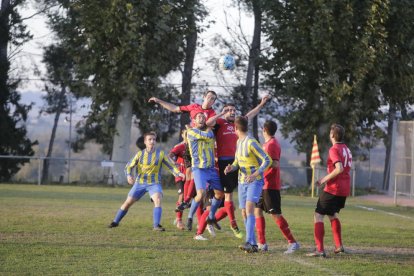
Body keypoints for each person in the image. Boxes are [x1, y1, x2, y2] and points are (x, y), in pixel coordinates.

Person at [196, 96, 271, 239]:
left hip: (240, 164)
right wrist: (221, 114)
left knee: (228, 200)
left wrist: (261, 104)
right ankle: (233, 224)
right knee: (227, 195)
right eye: (228, 110)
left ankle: (212, 219)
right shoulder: (220, 123)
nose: (231, 112)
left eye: (233, 110)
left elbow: (250, 114)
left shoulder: (238, 125)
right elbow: (208, 122)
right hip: (226, 163)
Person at [108, 132, 185, 231]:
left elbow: (170, 167)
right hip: (140, 183)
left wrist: (179, 173)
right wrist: (128, 176)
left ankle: (156, 226)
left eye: (154, 139)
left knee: (157, 200)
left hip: (154, 183)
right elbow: (128, 166)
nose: (152, 141)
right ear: (145, 142)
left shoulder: (160, 154)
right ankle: (115, 222)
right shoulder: (140, 154)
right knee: (127, 203)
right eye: (150, 139)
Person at [224, 116, 271, 253]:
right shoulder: (239, 142)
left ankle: (249, 242)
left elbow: (267, 160)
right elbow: (236, 163)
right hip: (242, 181)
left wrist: (256, 174)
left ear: (235, 128)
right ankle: (252, 243)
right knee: (244, 211)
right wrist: (230, 168)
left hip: (254, 181)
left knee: (249, 209)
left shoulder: (251, 142)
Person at [306, 124, 352, 257]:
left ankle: (320, 250)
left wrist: (323, 180)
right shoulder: (346, 149)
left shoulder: (334, 149)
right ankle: (339, 246)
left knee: (318, 215)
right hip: (344, 188)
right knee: (332, 214)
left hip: (334, 188)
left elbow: (339, 168)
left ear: (332, 135)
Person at [254, 120, 300, 253]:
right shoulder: (267, 144)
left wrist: (261, 167)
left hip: (270, 185)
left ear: (264, 130)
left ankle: (293, 242)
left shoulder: (272, 144)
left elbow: (275, 164)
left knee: (275, 214)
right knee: (257, 210)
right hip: (262, 184)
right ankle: (262, 243)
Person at [185, 111, 225, 240]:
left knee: (220, 194)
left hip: (211, 169)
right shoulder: (191, 132)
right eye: (199, 117)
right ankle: (190, 217)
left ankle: (211, 216)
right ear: (194, 121)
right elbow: (207, 135)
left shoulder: (210, 131)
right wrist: (211, 122)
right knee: (201, 194)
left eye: (203, 117)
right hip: (199, 169)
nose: (201, 118)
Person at [148, 90, 218, 126]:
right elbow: (175, 108)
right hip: (192, 138)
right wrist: (159, 101)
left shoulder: (213, 113)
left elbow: (209, 125)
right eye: (208, 97)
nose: (209, 99)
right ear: (204, 97)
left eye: (212, 99)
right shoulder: (194, 106)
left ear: (213, 102)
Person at [169, 129, 188, 230]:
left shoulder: (194, 146)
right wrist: (174, 163)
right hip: (180, 176)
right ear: (182, 135)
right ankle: (179, 221)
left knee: (193, 198)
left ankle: (198, 221)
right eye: (186, 134)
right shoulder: (180, 146)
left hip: (190, 176)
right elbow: (170, 156)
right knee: (182, 196)